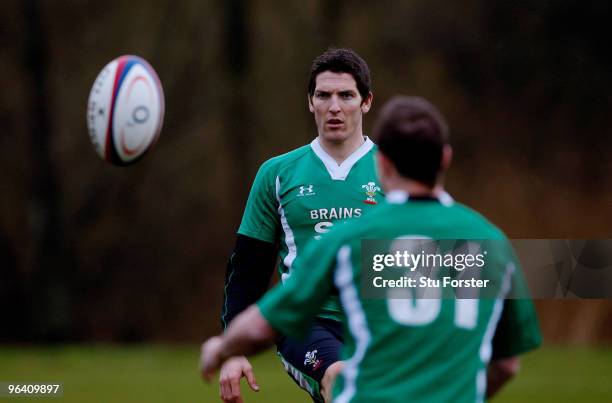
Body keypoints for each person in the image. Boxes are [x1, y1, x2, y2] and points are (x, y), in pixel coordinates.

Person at [201, 96, 542, 402]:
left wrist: (222, 349)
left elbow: (266, 324)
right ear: (446, 159)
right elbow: (508, 365)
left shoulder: (346, 240)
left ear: (383, 164)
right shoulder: (490, 242)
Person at [218, 48, 383, 403]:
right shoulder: (277, 174)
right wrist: (233, 348)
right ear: (310, 102)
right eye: (323, 95)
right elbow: (247, 271)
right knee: (341, 381)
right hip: (306, 323)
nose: (334, 106)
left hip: (380, 326)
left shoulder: (396, 172)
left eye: (346, 95)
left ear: (366, 102)